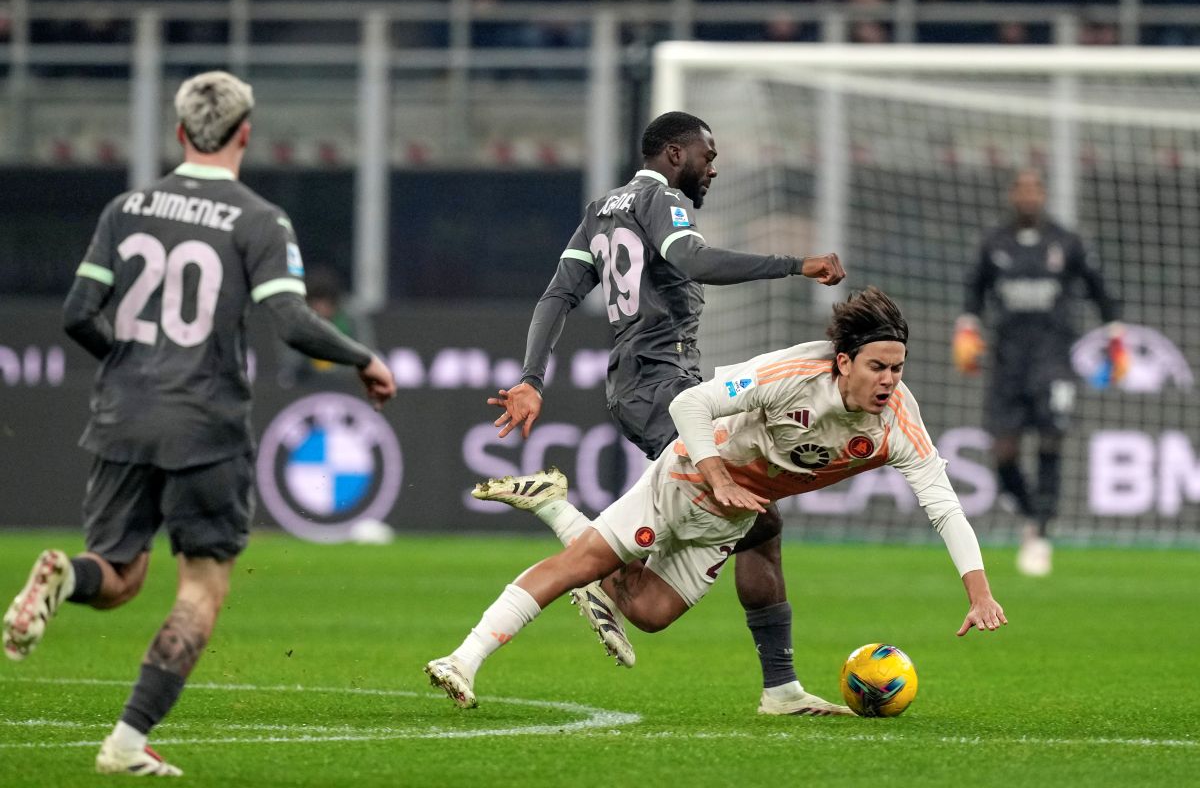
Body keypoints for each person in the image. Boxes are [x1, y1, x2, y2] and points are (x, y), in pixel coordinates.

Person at [1, 71, 396, 777]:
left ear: (179, 132)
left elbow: (75, 314)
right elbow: (290, 321)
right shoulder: (259, 219)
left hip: (122, 414)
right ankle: (126, 742)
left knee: (118, 577)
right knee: (202, 586)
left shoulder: (126, 207)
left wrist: (126, 363)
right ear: (246, 133)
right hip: (205, 420)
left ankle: (65, 578)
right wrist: (362, 356)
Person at [428, 287, 1007, 710]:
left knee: (651, 615)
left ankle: (560, 509)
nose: (888, 381)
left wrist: (978, 594)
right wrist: (718, 474)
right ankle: (464, 659)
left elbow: (943, 504)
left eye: (898, 369)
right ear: (844, 362)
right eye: (878, 367)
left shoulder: (899, 421)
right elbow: (690, 406)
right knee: (579, 564)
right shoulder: (791, 373)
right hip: (688, 479)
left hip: (733, 514)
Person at [479, 110, 846, 716]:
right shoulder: (662, 198)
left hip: (644, 388)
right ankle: (601, 569)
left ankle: (778, 686)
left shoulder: (601, 210)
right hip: (662, 387)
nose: (715, 165)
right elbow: (695, 261)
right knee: (752, 521)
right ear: (674, 154)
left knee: (760, 525)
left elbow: (557, 296)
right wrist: (795, 264)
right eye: (708, 152)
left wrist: (530, 378)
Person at [953, 169, 1124, 577]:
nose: (1028, 196)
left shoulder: (1067, 242)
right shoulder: (993, 243)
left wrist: (1115, 338)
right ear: (1012, 195)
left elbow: (1102, 293)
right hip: (1007, 363)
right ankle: (1033, 514)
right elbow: (973, 295)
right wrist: (966, 329)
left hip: (1053, 362)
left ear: (1043, 195)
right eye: (1022, 189)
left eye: (1035, 189)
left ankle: (1041, 534)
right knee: (1003, 452)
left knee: (1051, 442)